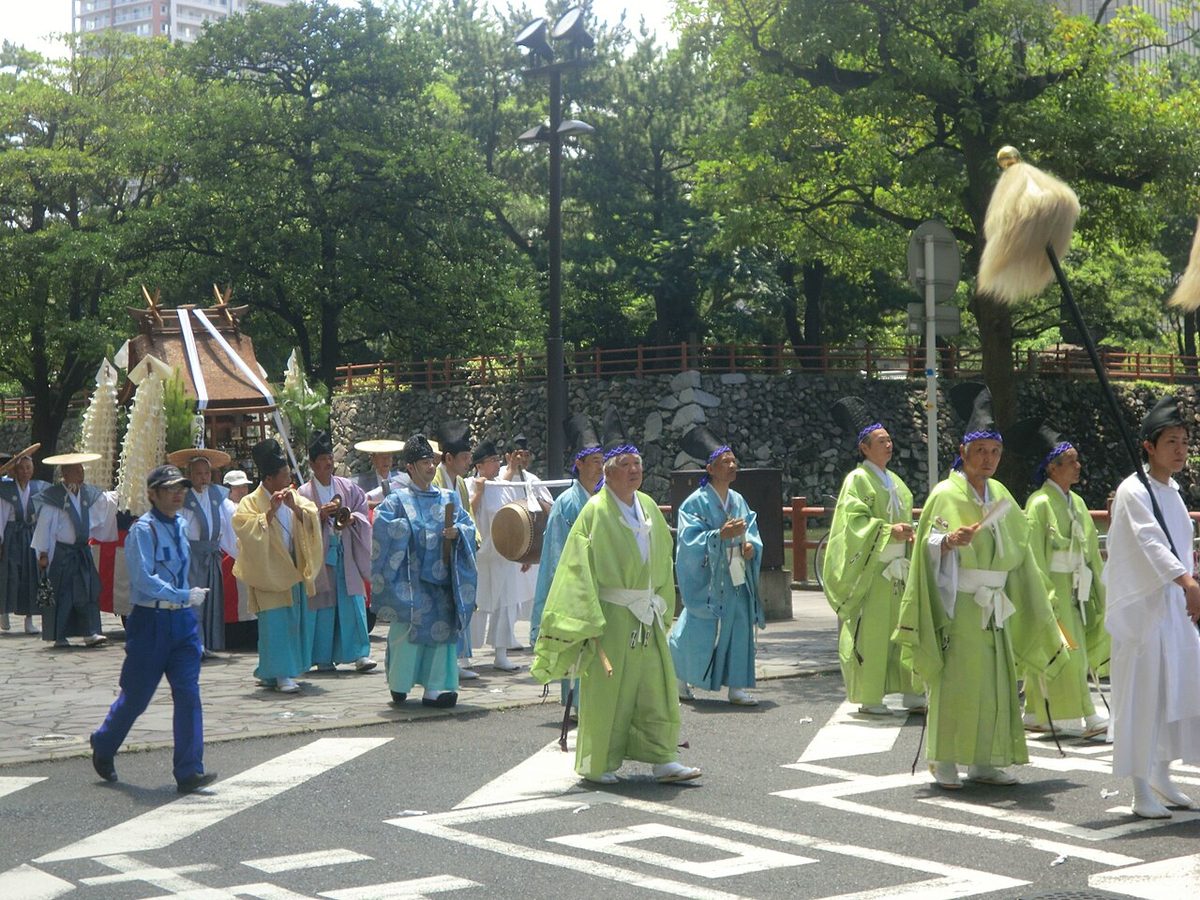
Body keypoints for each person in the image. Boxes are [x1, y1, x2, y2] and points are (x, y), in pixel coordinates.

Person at [894, 383, 1065, 790]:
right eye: (981, 451)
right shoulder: (944, 494)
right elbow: (927, 546)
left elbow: (1022, 552)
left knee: (995, 682)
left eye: (995, 452)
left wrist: (1040, 598)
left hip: (996, 604)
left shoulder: (1002, 495)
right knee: (958, 681)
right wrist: (949, 542)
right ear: (963, 451)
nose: (988, 459)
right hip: (960, 601)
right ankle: (945, 757)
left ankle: (986, 759)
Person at [531, 421, 700, 785]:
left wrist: (662, 605)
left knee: (656, 688)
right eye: (624, 464)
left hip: (647, 615)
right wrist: (585, 621)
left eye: (637, 463)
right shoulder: (594, 511)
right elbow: (575, 569)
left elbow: (664, 557)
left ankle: (663, 757)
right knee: (609, 694)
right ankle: (598, 763)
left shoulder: (650, 507)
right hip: (611, 616)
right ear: (607, 472)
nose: (634, 469)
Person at [88, 464, 217, 794]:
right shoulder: (141, 531)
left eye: (182, 487)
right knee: (136, 697)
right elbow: (143, 580)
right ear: (152, 494)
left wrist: (186, 602)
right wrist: (182, 595)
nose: (178, 493)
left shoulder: (181, 525)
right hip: (150, 621)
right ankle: (104, 743)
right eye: (170, 488)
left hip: (182, 622)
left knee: (189, 693)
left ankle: (189, 770)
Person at [1104, 395, 1200, 819]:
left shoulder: (1174, 493)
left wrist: (1188, 583)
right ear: (1149, 446)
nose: (1180, 450)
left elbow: (1179, 545)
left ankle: (1161, 773)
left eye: (1184, 441)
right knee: (1141, 696)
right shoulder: (1132, 491)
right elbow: (1149, 541)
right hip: (1143, 613)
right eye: (1172, 442)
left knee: (1171, 691)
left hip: (1172, 610)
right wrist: (1186, 580)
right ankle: (1139, 787)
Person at [822, 397, 924, 715]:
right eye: (882, 441)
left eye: (890, 440)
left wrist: (910, 532)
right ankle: (870, 696)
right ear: (865, 448)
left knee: (904, 629)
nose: (889, 445)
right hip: (874, 568)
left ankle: (911, 691)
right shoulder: (858, 480)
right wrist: (885, 530)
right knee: (874, 634)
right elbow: (852, 523)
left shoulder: (895, 483)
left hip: (899, 568)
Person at [1008, 419, 1108, 739]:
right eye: (1071, 462)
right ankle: (1084, 712)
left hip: (1077, 588)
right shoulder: (1038, 504)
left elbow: (1091, 550)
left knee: (1069, 649)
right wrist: (1044, 596)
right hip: (1053, 589)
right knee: (1067, 650)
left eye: (1077, 461)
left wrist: (1099, 588)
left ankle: (1038, 711)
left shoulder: (1076, 503)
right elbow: (1033, 556)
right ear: (1052, 468)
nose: (1078, 467)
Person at [372, 433, 476, 708]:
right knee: (408, 633)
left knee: (442, 636)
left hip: (442, 581)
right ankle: (400, 683)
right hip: (411, 579)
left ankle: (438, 687)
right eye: (423, 462)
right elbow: (381, 528)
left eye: (432, 461)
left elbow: (469, 526)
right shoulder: (396, 500)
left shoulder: (448, 497)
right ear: (410, 467)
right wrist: (403, 531)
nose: (430, 467)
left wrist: (458, 533)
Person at [669, 425, 764, 706]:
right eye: (726, 462)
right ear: (710, 469)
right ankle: (679, 677)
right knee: (698, 627)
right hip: (709, 580)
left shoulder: (738, 500)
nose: (733, 465)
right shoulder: (695, 503)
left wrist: (750, 547)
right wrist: (718, 536)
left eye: (734, 461)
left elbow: (752, 531)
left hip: (736, 574)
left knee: (740, 626)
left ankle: (737, 686)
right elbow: (688, 541)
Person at [232, 439, 323, 694]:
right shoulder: (251, 502)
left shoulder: (293, 497)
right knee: (275, 626)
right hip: (269, 572)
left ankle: (275, 672)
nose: (289, 478)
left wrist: (297, 510)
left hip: (292, 568)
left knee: (292, 623)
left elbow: (312, 516)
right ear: (270, 478)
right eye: (284, 474)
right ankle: (282, 675)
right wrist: (269, 514)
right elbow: (244, 528)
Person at [529, 413, 605, 713]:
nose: (600, 466)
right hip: (576, 581)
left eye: (602, 460)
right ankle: (575, 702)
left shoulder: (605, 499)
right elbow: (559, 550)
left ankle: (596, 700)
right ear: (579, 464)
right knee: (575, 639)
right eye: (594, 461)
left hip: (602, 581)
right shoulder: (566, 504)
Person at [297, 431, 376, 674]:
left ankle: (360, 654)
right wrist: (318, 516)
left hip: (346, 549)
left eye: (330, 458)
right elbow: (298, 523)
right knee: (323, 605)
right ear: (312, 464)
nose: (328, 463)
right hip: (321, 553)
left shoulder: (348, 487)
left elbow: (362, 510)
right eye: (322, 459)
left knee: (352, 601)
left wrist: (353, 518)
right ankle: (323, 657)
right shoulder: (303, 493)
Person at [472, 434, 548, 672]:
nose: (496, 464)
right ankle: (463, 656)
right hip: (481, 553)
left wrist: (522, 551)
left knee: (505, 604)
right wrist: (480, 492)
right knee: (477, 604)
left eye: (497, 460)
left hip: (504, 553)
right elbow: (469, 510)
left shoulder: (507, 485)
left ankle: (501, 653)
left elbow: (518, 519)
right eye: (492, 460)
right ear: (479, 465)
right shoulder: (470, 483)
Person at [32, 453, 119, 648]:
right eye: (76, 470)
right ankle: (59, 635)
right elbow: (45, 527)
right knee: (63, 595)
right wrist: (43, 553)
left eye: (81, 469)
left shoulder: (88, 493)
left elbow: (105, 507)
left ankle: (90, 632)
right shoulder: (54, 497)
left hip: (82, 551)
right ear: (65, 473)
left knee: (87, 591)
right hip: (62, 553)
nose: (81, 473)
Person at [168, 449, 232, 659]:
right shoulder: (184, 498)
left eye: (206, 473)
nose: (203, 477)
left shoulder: (217, 494)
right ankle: (194, 643)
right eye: (198, 473)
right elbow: (179, 526)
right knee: (194, 600)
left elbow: (231, 518)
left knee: (211, 601)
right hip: (192, 553)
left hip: (211, 552)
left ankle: (208, 643)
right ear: (189, 475)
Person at [432, 420, 479, 680]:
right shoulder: (436, 479)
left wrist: (475, 537)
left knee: (460, 603)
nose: (468, 463)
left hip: (458, 550)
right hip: (440, 552)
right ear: (448, 458)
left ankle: (459, 658)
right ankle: (446, 660)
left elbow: (468, 517)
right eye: (464, 458)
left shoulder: (459, 483)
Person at [0, 444, 47, 635]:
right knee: (9, 574)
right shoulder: (5, 490)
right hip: (11, 535)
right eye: (21, 468)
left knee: (30, 575)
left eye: (29, 468)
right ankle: (4, 613)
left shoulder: (38, 488)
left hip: (30, 535)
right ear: (15, 471)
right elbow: (1, 517)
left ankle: (29, 619)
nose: (25, 471)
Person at [354, 439, 408, 508]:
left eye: (389, 456)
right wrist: (381, 505)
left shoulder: (402, 479)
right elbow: (359, 502)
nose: (386, 461)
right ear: (374, 460)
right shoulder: (361, 483)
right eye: (382, 457)